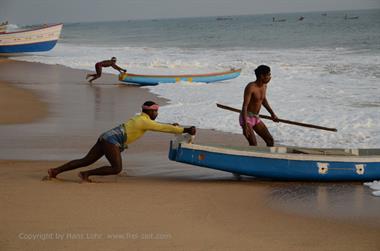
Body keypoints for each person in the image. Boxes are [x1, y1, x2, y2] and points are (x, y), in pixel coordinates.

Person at [47, 101, 196, 182]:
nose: (156, 114)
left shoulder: (140, 118)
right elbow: (162, 128)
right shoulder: (145, 121)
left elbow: (160, 125)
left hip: (106, 136)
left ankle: (55, 171)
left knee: (86, 159)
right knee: (116, 168)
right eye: (155, 111)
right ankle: (85, 174)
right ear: (149, 112)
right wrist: (186, 130)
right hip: (111, 141)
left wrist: (173, 126)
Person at [240, 65, 279, 147]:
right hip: (246, 118)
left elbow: (263, 100)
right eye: (268, 75)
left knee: (270, 140)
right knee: (253, 144)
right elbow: (245, 106)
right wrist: (245, 125)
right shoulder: (251, 87)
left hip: (256, 118)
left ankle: (267, 159)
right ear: (262, 76)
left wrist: (272, 114)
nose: (270, 77)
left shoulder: (264, 86)